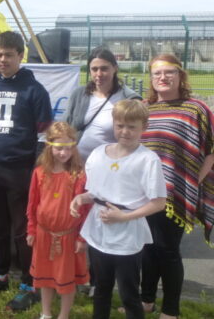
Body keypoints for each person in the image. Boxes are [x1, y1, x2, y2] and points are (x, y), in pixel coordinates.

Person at [0, 31, 52, 312]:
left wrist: (35, 173)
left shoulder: (35, 91)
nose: (3, 60)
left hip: (21, 171)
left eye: (8, 54)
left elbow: (44, 139)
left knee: (23, 232)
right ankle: (0, 274)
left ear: (21, 55)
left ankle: (29, 284)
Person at [71, 99, 167, 319]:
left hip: (126, 235)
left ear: (144, 127)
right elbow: (97, 192)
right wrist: (80, 198)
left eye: (132, 127)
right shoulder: (97, 154)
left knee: (129, 292)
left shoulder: (147, 160)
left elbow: (158, 202)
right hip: (98, 231)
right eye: (120, 125)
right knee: (101, 288)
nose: (125, 131)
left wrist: (125, 216)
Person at [138, 54, 214, 319]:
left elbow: (210, 151)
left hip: (178, 193)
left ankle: (171, 309)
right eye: (157, 73)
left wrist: (193, 182)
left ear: (181, 76)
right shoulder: (144, 108)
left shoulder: (196, 109)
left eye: (170, 72)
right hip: (145, 194)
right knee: (147, 248)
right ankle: (145, 300)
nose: (163, 77)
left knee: (168, 250)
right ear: (151, 78)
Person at [27, 122, 89, 319]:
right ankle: (45, 313)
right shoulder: (40, 173)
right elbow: (32, 204)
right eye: (59, 148)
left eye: (68, 148)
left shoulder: (78, 175)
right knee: (45, 278)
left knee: (66, 279)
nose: (63, 153)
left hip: (68, 237)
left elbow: (85, 210)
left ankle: (63, 315)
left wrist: (81, 238)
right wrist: (31, 230)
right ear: (49, 147)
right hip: (44, 235)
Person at [64, 47, 141, 161]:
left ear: (115, 68)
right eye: (94, 69)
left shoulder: (128, 100)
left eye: (104, 69)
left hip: (108, 166)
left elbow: (135, 137)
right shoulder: (79, 94)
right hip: (76, 166)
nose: (99, 74)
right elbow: (65, 127)